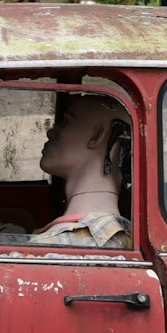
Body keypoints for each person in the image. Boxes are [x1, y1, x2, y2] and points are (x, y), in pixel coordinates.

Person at [27, 94, 133, 249]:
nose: (51, 132)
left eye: (67, 122)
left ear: (96, 136)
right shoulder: (125, 238)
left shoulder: (62, 246)